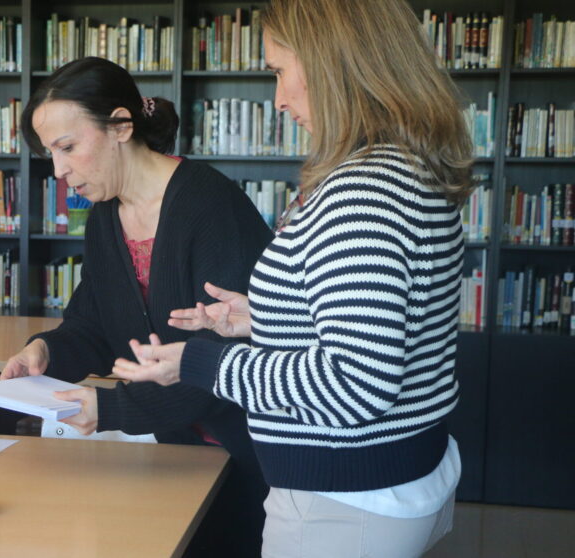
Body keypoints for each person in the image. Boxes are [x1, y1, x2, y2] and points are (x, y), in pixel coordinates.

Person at [113, 1, 472, 556]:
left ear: (336, 63)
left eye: (281, 70)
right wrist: (268, 316)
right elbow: (385, 316)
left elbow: (355, 383)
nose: (278, 99)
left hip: (344, 502)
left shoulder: (362, 193)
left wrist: (198, 363)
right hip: (384, 480)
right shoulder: (405, 168)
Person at [2, 56, 274, 555]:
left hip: (242, 449)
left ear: (121, 127)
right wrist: (44, 351)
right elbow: (93, 321)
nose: (59, 171)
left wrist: (113, 407)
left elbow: (222, 354)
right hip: (166, 445)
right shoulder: (106, 215)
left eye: (68, 147)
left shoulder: (208, 202)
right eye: (50, 154)